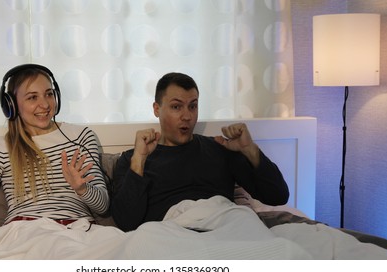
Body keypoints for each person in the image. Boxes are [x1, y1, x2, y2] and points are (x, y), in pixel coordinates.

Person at [111, 72, 289, 231]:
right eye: (176, 107)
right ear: (157, 109)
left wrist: (250, 150)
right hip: (170, 236)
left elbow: (278, 196)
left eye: (193, 106)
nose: (187, 116)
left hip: (226, 227)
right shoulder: (132, 160)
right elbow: (127, 222)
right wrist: (139, 161)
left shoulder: (220, 148)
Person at [0, 64, 109, 229]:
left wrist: (82, 188)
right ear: (11, 105)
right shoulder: (0, 148)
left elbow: (103, 206)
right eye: (32, 97)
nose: (45, 104)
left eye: (49, 94)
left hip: (76, 232)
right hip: (24, 234)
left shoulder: (81, 136)